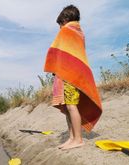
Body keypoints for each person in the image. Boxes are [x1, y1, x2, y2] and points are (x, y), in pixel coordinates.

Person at [44, 5, 102, 150]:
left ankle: (78, 139)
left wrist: (56, 66)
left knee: (71, 106)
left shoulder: (67, 31)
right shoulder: (80, 33)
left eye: (60, 24)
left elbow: (57, 51)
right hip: (75, 74)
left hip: (70, 76)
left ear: (65, 19)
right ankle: (71, 138)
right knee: (68, 106)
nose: (60, 28)